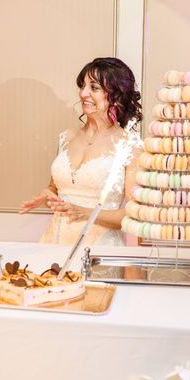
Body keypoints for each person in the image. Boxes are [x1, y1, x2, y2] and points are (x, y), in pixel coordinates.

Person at [20, 57, 142, 245]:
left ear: (116, 95)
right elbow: (55, 187)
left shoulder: (130, 146)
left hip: (98, 251)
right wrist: (47, 194)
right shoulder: (66, 137)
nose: (83, 93)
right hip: (54, 244)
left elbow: (134, 215)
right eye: (82, 86)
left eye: (94, 88)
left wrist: (84, 212)